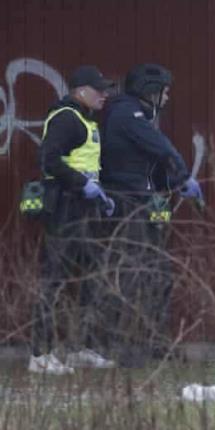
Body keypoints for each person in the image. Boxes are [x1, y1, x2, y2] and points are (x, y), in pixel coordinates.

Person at [100, 63, 202, 366]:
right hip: (128, 204)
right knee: (135, 275)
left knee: (159, 275)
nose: (168, 98)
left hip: (142, 201)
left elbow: (145, 166)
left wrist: (171, 184)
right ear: (150, 90)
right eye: (165, 92)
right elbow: (161, 148)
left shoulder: (138, 116)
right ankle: (130, 350)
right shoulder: (127, 114)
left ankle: (156, 343)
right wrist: (184, 176)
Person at [30, 65, 117, 374]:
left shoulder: (85, 119)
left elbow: (85, 165)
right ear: (81, 91)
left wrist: (100, 195)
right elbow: (48, 160)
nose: (105, 94)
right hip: (66, 209)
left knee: (90, 279)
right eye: (99, 89)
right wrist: (83, 185)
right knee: (54, 280)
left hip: (85, 209)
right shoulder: (67, 118)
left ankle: (82, 348)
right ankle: (40, 355)